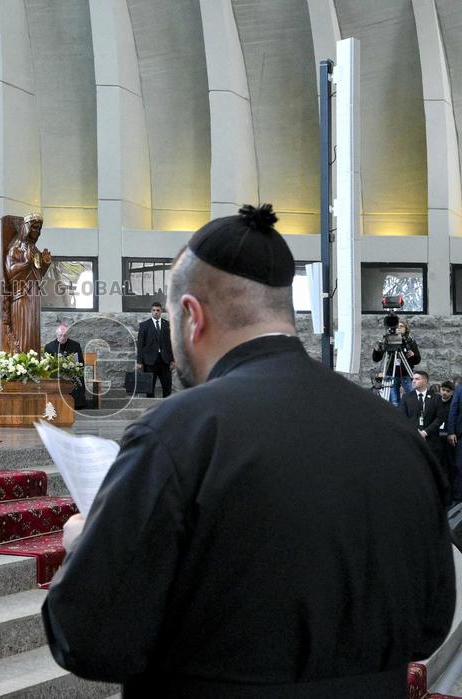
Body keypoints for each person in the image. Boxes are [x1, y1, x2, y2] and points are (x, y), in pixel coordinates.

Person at [43, 204, 455, 698]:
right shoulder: (395, 432)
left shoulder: (178, 433)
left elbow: (88, 640)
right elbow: (432, 622)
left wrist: (84, 547)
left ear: (191, 316)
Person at [1, 213, 52, 352]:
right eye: (34, 227)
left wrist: (45, 264)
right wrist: (26, 263)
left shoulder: (33, 249)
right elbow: (10, 272)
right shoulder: (15, 248)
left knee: (33, 329)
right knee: (24, 329)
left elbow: (37, 274)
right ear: (27, 228)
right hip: (21, 295)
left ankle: (33, 360)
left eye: (39, 228)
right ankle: (23, 361)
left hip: (34, 295)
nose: (37, 231)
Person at [372, 319, 421, 407]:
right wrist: (376, 350)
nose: (399, 328)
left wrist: (413, 355)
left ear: (406, 329)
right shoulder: (387, 341)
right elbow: (376, 359)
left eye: (401, 326)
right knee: (394, 402)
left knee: (413, 399)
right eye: (397, 327)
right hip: (391, 374)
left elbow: (417, 361)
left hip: (406, 374)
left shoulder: (410, 342)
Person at [136, 301, 175, 397]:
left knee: (167, 386)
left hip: (164, 360)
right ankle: (151, 409)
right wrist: (139, 361)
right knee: (149, 388)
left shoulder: (168, 325)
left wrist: (173, 360)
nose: (156, 312)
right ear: (151, 311)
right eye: (154, 310)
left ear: (161, 311)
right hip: (149, 361)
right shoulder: (144, 325)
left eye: (158, 310)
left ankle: (167, 409)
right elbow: (140, 345)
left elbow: (172, 344)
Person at [44, 323, 87, 410]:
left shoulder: (75, 345)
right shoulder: (49, 346)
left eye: (65, 335)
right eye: (61, 335)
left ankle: (77, 404)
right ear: (57, 335)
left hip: (72, 372)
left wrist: (73, 368)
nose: (63, 337)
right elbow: (47, 364)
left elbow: (81, 362)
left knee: (78, 377)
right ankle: (55, 403)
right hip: (56, 373)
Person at [401, 370, 442, 456]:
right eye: (413, 379)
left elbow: (439, 418)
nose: (413, 381)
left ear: (425, 381)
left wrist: (425, 432)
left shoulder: (436, 398)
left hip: (431, 440)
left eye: (417, 379)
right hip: (412, 438)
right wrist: (415, 432)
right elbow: (402, 417)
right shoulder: (406, 397)